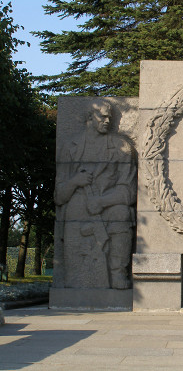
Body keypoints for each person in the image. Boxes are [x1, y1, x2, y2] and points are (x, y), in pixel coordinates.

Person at [55, 100, 137, 289]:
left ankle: (118, 274)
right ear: (89, 117)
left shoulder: (121, 148)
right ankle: (76, 276)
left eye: (110, 116)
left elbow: (128, 191)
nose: (107, 120)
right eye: (102, 115)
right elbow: (59, 196)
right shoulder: (70, 147)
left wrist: (102, 201)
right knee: (75, 211)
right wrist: (75, 181)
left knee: (121, 213)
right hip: (77, 208)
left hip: (107, 205)